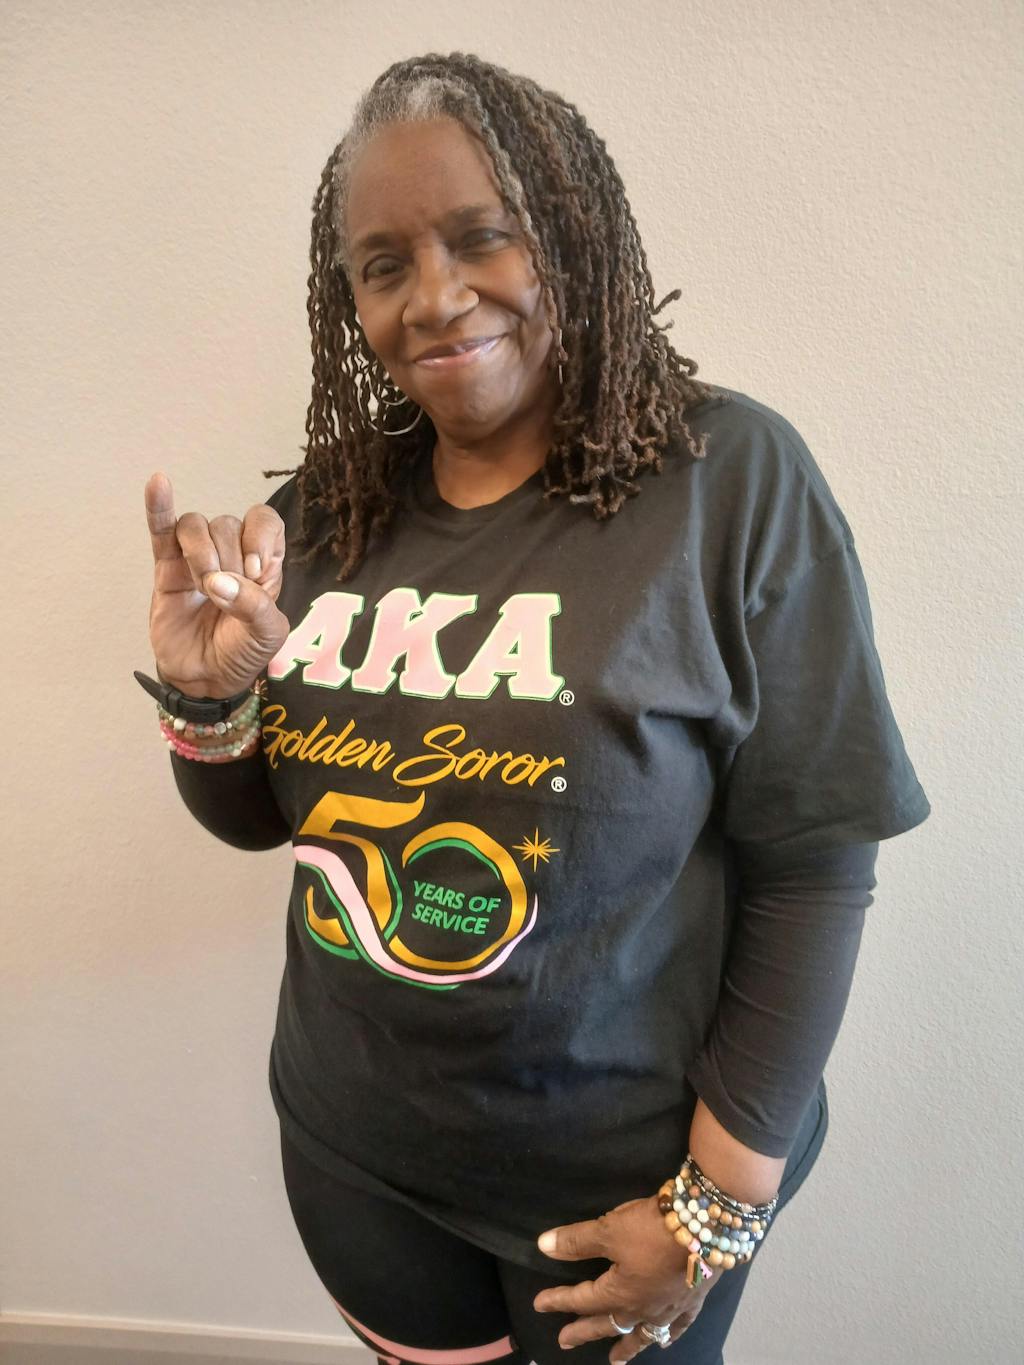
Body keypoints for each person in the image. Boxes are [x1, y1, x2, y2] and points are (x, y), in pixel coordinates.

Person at [138, 52, 930, 1365]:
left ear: (566, 229)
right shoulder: (323, 515)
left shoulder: (730, 483)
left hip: (631, 1184)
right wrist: (207, 696)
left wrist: (716, 1210)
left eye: (479, 236)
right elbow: (257, 819)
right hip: (359, 1157)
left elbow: (814, 868)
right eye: (383, 265)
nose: (434, 297)